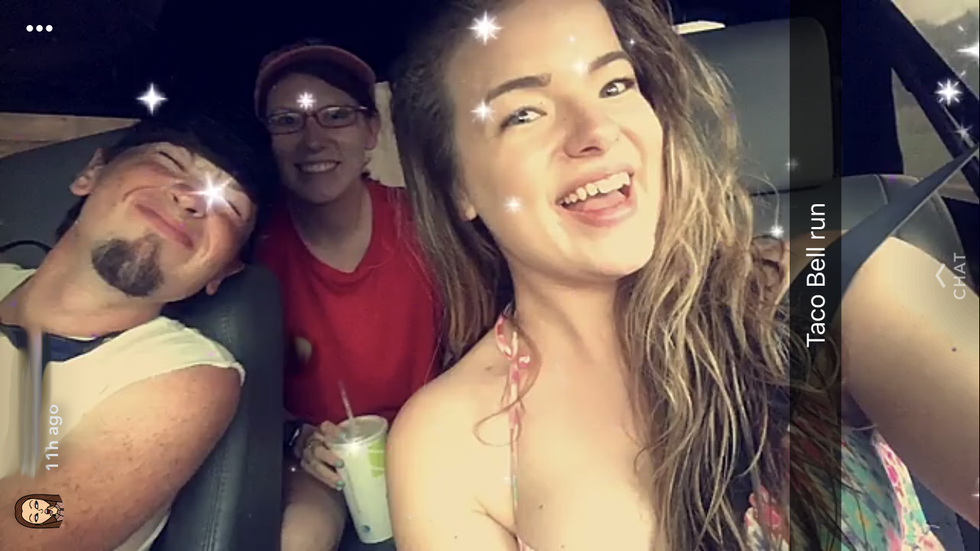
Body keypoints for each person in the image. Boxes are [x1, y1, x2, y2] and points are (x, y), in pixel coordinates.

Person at [383, 0, 980, 549]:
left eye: (615, 85)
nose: (597, 132)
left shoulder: (841, 288)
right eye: (524, 114)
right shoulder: (445, 447)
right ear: (458, 184)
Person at [0, 107, 274, 549]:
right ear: (92, 172)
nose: (191, 199)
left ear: (222, 271)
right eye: (169, 160)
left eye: (229, 206)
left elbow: (35, 521)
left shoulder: (181, 379)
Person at [252, 40, 442, 550]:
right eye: (287, 121)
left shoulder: (429, 225)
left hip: (435, 436)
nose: (313, 140)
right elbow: (240, 388)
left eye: (336, 115)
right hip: (323, 460)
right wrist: (297, 437)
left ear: (371, 130)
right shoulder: (253, 251)